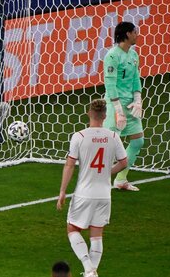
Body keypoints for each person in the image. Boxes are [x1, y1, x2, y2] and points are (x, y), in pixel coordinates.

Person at [57, 99, 128, 277]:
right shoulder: (113, 137)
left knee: (72, 229)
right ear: (105, 116)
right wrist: (107, 173)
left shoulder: (79, 136)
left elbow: (69, 165)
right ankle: (92, 273)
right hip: (104, 195)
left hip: (84, 193)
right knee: (97, 235)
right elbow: (124, 162)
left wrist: (62, 191)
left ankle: (89, 268)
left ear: (89, 113)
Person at [103, 21, 144, 191]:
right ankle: (97, 179)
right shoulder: (112, 55)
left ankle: (120, 179)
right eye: (134, 32)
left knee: (138, 141)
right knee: (109, 145)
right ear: (127, 34)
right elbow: (110, 84)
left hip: (130, 105)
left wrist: (138, 98)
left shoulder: (133, 55)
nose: (137, 34)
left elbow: (135, 78)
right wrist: (118, 111)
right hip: (115, 105)